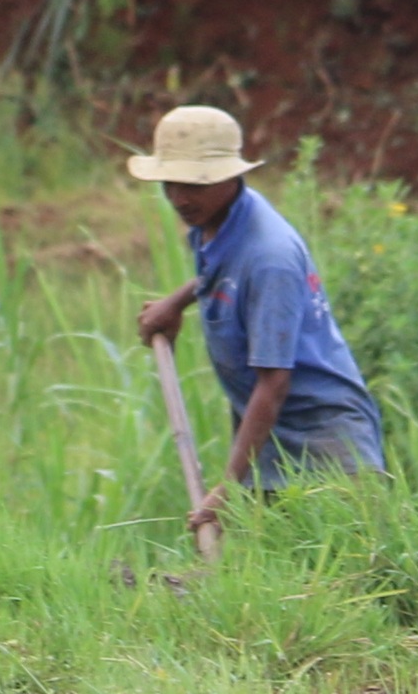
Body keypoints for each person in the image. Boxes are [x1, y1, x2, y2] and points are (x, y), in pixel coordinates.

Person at [127, 103, 381, 543]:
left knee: (337, 577)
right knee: (266, 578)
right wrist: (179, 300)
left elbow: (275, 382)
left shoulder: (271, 257)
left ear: (231, 175)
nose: (180, 197)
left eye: (195, 184)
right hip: (271, 433)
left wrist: (227, 487)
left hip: (322, 438)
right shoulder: (220, 218)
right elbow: (224, 271)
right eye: (171, 183)